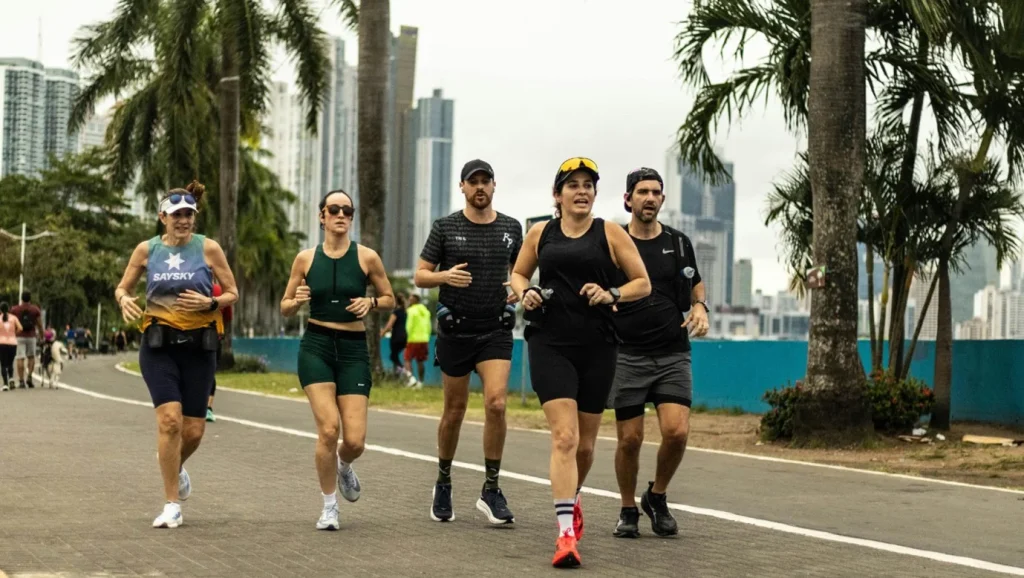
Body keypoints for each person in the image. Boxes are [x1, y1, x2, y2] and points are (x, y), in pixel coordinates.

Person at [510, 157, 650, 568]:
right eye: (573, 185)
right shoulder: (541, 233)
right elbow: (518, 275)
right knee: (565, 439)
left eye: (588, 184)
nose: (582, 191)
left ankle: (572, 498)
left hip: (598, 345)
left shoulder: (609, 232)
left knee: (586, 446)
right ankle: (566, 534)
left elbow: (642, 283)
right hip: (549, 342)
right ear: (557, 195)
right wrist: (525, 293)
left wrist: (612, 295)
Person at [113, 180, 239, 529]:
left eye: (188, 215)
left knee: (194, 431)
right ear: (162, 217)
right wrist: (124, 298)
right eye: (176, 215)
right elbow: (122, 287)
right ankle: (171, 504)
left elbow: (232, 292)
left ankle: (175, 465)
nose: (183, 220)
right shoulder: (146, 250)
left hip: (200, 347)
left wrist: (211, 302)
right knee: (169, 421)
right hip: (159, 347)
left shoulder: (208, 248)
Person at [413, 159, 524, 525]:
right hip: (456, 331)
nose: (480, 187)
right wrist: (445, 275)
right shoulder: (445, 227)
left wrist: (518, 291)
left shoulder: (511, 228)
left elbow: (521, 270)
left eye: (485, 181)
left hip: (495, 330)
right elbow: (420, 276)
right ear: (462, 187)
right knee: (455, 411)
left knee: (496, 404)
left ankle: (491, 489)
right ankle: (443, 480)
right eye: (473, 182)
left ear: (494, 186)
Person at [280, 189, 395, 531]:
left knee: (355, 440)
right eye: (334, 209)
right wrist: (296, 301)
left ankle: (344, 465)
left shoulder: (367, 258)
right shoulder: (304, 259)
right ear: (322, 216)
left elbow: (389, 297)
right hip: (316, 345)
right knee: (329, 429)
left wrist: (371, 304)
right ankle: (329, 506)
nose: (341, 215)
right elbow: (284, 307)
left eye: (347, 210)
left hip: (353, 349)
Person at [608, 167, 709, 539]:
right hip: (627, 354)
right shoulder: (613, 242)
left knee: (677, 432)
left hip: (672, 353)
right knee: (630, 440)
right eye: (642, 192)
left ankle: (657, 496)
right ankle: (627, 508)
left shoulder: (679, 243)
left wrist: (700, 307)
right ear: (628, 199)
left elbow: (695, 283)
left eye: (656, 192)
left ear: (662, 199)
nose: (649, 198)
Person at [206, 281, 228, 423]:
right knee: (210, 371)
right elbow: (228, 315)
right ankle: (208, 408)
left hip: (191, 334)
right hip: (214, 334)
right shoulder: (220, 290)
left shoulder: (188, 286)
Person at [11, 291, 43, 388]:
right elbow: (40, 324)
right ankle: (29, 377)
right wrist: (42, 336)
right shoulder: (35, 309)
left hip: (19, 336)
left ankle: (21, 381)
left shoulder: (15, 309)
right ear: (30, 298)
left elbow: (12, 322)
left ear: (21, 298)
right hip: (31, 336)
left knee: (20, 358)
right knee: (31, 357)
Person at [403, 294, 431, 385]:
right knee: (420, 361)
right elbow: (429, 326)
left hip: (413, 338)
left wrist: (407, 335)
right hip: (424, 339)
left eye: (411, 299)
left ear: (414, 301)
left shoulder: (411, 310)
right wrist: (427, 336)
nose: (409, 301)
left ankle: (411, 379)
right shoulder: (426, 312)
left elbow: (409, 326)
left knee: (407, 359)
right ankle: (421, 382)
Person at [379, 293, 408, 377]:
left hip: (396, 337)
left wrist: (382, 333)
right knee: (395, 356)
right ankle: (397, 376)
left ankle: (406, 374)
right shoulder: (405, 312)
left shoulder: (396, 312)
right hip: (405, 337)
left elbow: (389, 326)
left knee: (393, 357)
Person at [0, 302, 23, 391]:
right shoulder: (14, 318)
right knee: (10, 363)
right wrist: (14, 334)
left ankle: (5, 383)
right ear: (9, 309)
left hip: (1, 343)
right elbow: (20, 328)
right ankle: (11, 379)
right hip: (13, 343)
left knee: (3, 364)